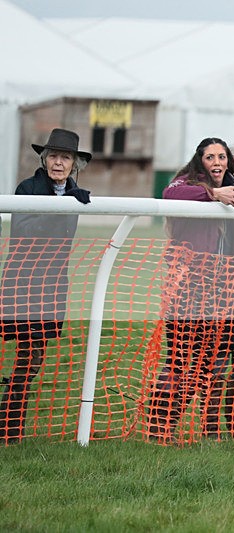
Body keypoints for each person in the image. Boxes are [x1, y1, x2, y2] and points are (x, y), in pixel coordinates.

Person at [147, 137, 234, 443]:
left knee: (216, 364)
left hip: (232, 289)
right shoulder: (188, 183)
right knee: (181, 361)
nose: (218, 163)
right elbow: (169, 193)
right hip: (192, 287)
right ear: (200, 160)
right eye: (211, 157)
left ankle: (217, 432)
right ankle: (160, 427)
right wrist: (214, 194)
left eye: (222, 157)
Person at [0, 128, 92, 444]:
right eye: (53, 156)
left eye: (65, 157)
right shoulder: (27, 188)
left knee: (34, 357)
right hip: (23, 282)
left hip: (53, 285)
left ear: (74, 163)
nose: (58, 162)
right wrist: (62, 205)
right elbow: (24, 232)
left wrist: (69, 202)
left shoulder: (77, 193)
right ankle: (8, 428)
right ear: (44, 158)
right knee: (27, 354)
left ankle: (8, 425)